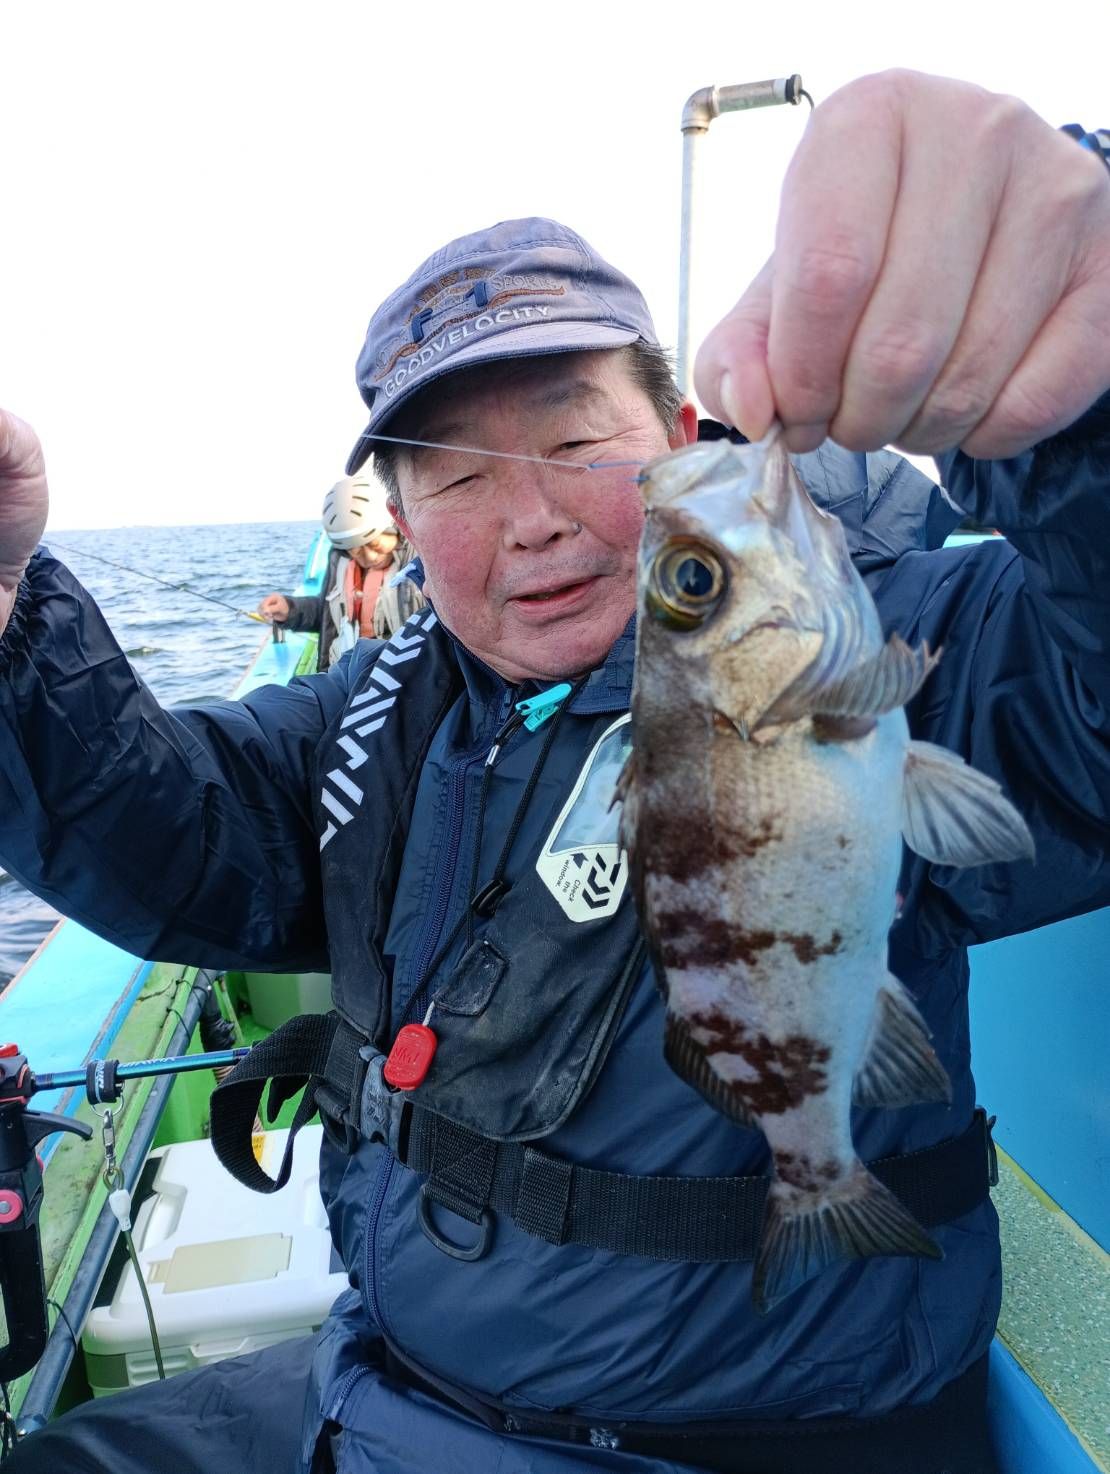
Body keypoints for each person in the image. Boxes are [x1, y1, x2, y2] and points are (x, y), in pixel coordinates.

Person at [0, 70, 1108, 1474]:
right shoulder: (391, 709)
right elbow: (168, 839)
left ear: (679, 440)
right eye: (459, 478)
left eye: (578, 441)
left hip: (724, 1436)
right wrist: (9, 622)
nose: (529, 520)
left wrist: (1076, 393)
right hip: (382, 1374)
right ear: (402, 522)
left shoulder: (862, 647)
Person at [257, 473, 426, 667]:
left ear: (395, 528)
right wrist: (289, 610)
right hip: (347, 672)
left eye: (376, 544)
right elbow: (328, 616)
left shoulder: (422, 560)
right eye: (355, 549)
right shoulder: (339, 561)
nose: (369, 557)